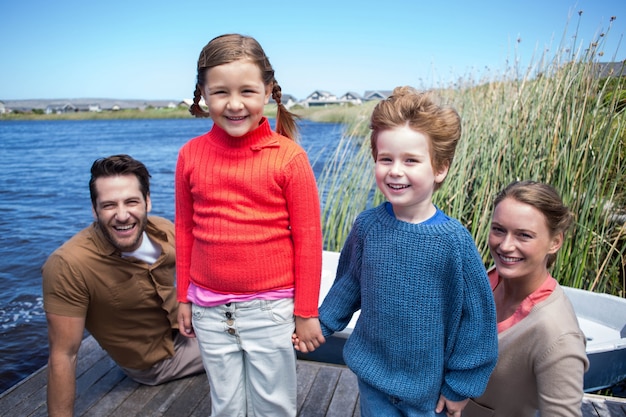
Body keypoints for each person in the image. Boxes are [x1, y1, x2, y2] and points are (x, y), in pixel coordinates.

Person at [312, 86, 498, 417]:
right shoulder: (368, 226)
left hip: (429, 395)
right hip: (374, 382)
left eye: (411, 160)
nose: (395, 170)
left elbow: (478, 321)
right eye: (386, 159)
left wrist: (461, 386)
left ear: (440, 168)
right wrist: (321, 324)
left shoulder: (453, 241)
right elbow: (349, 285)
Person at [175, 33, 324, 417]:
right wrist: (183, 297)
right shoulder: (190, 155)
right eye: (221, 92)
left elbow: (308, 240)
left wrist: (305, 313)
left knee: (273, 407)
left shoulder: (288, 158)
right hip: (208, 309)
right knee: (225, 406)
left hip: (271, 310)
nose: (235, 104)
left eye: (248, 91)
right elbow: (185, 231)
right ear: (203, 94)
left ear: (268, 90)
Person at [42, 154, 204, 417]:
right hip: (158, 361)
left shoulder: (162, 230)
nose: (121, 215)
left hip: (189, 326)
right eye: (108, 205)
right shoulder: (69, 264)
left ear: (147, 202)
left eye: (131, 202)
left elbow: (202, 267)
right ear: (94, 209)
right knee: (250, 337)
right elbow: (64, 355)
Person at [463, 180, 589, 417]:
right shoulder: (486, 280)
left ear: (555, 242)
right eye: (499, 229)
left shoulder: (557, 336)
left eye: (524, 235)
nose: (506, 246)